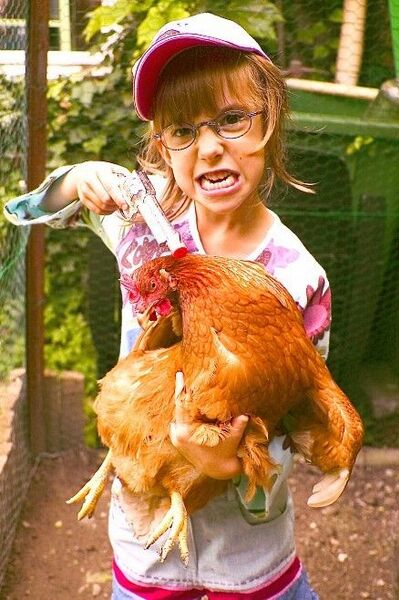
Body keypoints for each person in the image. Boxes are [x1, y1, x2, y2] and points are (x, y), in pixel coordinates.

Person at [4, 12, 331, 599]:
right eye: (182, 130)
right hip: (145, 543)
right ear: (163, 146)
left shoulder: (298, 279)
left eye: (232, 119)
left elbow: (299, 424)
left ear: (271, 118)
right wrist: (78, 178)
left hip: (247, 555)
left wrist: (226, 466)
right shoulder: (143, 219)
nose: (209, 147)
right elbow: (30, 210)